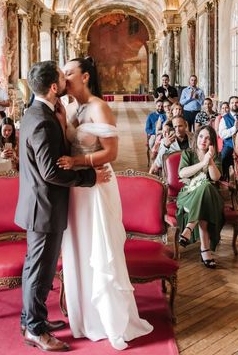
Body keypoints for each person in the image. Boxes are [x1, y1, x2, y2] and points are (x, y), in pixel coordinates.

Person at [56, 57, 153, 350]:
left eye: (69, 73)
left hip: (97, 184)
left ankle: (110, 321)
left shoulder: (99, 107)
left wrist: (78, 161)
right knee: (79, 249)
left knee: (100, 249)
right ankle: (85, 318)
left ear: (85, 77)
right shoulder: (69, 107)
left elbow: (110, 152)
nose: (64, 78)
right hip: (77, 188)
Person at [15, 60, 111, 352]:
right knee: (40, 270)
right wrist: (89, 177)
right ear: (54, 87)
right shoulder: (42, 120)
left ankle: (30, 319)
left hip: (39, 204)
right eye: (62, 78)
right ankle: (35, 329)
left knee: (37, 267)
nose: (66, 82)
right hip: (44, 207)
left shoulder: (36, 112)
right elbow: (50, 172)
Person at [176, 125, 225, 269]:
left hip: (211, 194)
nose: (204, 140)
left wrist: (209, 160)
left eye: (208, 138)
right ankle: (205, 250)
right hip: (189, 193)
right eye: (201, 136)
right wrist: (202, 163)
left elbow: (215, 178)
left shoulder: (216, 155)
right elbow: (182, 173)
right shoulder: (188, 153)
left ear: (212, 142)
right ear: (196, 137)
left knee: (207, 187)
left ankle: (189, 227)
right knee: (205, 197)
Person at [218, 96, 238, 179]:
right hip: (230, 146)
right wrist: (234, 128)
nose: (234, 104)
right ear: (229, 105)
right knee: (223, 158)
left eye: (236, 102)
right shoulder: (224, 118)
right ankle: (224, 179)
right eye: (232, 103)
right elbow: (222, 134)